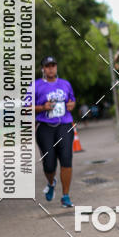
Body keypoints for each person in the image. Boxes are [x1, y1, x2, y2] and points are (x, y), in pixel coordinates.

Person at [29, 56, 76, 207]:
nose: (51, 69)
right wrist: (42, 107)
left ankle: (66, 196)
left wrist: (71, 105)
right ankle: (51, 183)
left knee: (66, 160)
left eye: (53, 65)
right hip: (44, 127)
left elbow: (72, 100)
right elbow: (26, 107)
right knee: (49, 164)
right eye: (47, 66)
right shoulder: (35, 85)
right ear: (43, 69)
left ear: (56, 67)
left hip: (64, 125)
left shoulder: (65, 84)